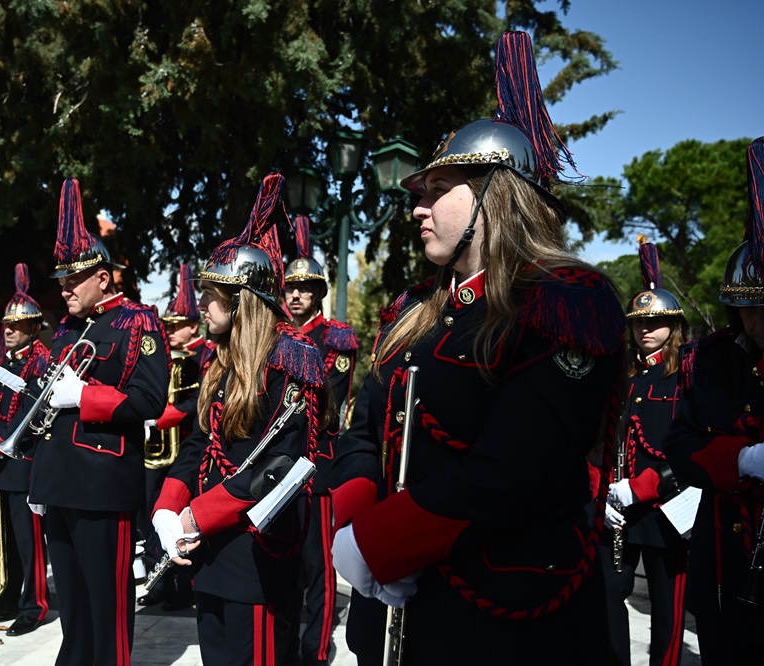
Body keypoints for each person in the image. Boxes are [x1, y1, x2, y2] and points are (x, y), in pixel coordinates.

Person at [328, 31, 625, 664]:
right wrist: (355, 517)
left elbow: (513, 471)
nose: (419, 208)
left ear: (494, 190)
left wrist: (381, 542)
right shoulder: (411, 311)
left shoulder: (567, 299)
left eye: (438, 190)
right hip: (400, 603)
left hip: (509, 617)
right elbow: (364, 430)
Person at [152, 173, 328, 666]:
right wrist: (169, 508)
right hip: (210, 552)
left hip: (257, 555)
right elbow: (197, 446)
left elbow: (278, 467)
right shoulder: (220, 362)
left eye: (211, 295)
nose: (201, 304)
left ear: (241, 301)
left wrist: (197, 514)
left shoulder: (289, 359)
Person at [27, 178, 170, 665]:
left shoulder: (137, 321)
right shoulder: (68, 330)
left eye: (73, 281)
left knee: (106, 605)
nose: (64, 289)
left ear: (104, 278)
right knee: (74, 607)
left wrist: (84, 395)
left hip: (102, 483)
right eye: (61, 281)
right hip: (59, 481)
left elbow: (149, 399)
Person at [662, 137, 764, 665]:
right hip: (725, 566)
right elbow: (679, 442)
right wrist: (742, 459)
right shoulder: (707, 361)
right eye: (752, 310)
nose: (761, 323)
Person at [599, 237, 690, 666]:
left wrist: (641, 489)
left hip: (667, 511)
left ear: (674, 327)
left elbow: (687, 451)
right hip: (621, 512)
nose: (646, 329)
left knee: (667, 614)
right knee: (607, 595)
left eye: (656, 322)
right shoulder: (626, 379)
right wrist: (608, 495)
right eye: (639, 322)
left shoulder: (684, 379)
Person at [283, 214, 357, 666]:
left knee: (318, 567)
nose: (294, 294)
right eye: (290, 287)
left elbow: (326, 401)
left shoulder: (337, 339)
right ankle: (289, 642)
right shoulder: (275, 335)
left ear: (318, 294)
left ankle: (316, 647)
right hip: (278, 465)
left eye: (304, 288)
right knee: (286, 561)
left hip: (318, 462)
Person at [0, 263, 53, 637]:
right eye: (6, 325)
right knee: (4, 539)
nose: (9, 330)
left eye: (17, 325)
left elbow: (36, 413)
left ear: (34, 327)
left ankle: (35, 605)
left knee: (28, 541)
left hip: (26, 464)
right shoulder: (2, 364)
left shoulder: (43, 362)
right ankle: (8, 595)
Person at [139, 262, 213, 611]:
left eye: (176, 325)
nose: (168, 331)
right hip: (158, 450)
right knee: (154, 515)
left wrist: (161, 419)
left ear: (193, 326)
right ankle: (161, 583)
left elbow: (199, 402)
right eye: (166, 325)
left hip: (186, 447)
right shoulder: (169, 354)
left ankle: (183, 585)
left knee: (182, 521)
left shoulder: (207, 354)